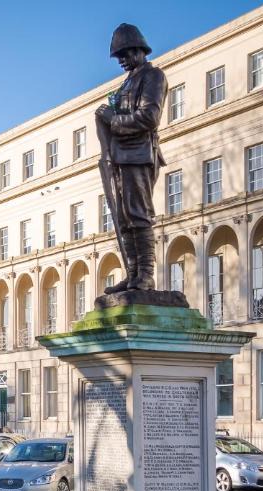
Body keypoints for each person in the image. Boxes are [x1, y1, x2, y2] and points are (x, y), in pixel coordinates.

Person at [94, 23, 168, 292]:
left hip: (139, 154)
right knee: (124, 218)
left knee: (138, 214)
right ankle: (133, 273)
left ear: (139, 50)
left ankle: (145, 275)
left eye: (124, 54)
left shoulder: (153, 76)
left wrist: (113, 119)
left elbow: (149, 117)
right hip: (120, 157)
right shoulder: (126, 83)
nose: (121, 61)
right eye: (118, 57)